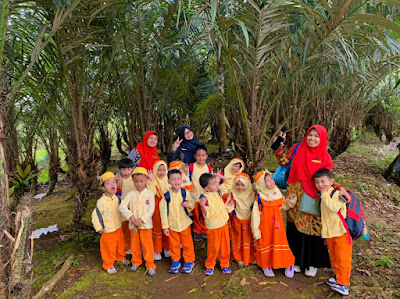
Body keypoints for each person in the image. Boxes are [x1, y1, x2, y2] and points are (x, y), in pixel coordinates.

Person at [273, 125, 350, 276]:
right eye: (310, 135)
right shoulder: (296, 148)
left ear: (322, 139)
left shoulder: (325, 157)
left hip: (313, 198)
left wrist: (339, 187)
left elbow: (327, 179)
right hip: (293, 197)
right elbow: (283, 161)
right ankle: (295, 261)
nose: (312, 139)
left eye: (316, 136)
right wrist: (277, 147)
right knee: (294, 228)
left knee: (313, 230)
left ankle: (312, 263)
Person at [313, 168, 352, 296]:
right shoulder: (324, 195)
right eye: (317, 182)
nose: (320, 185)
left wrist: (324, 195)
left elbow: (334, 208)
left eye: (323, 181)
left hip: (341, 232)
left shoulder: (337, 194)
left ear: (331, 181)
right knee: (334, 257)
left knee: (343, 258)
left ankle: (344, 283)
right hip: (330, 233)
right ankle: (337, 277)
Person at [251, 170, 295, 277]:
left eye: (271, 179)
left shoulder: (277, 192)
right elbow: (255, 215)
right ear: (261, 184)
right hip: (265, 227)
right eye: (267, 181)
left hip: (277, 226)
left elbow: (284, 206)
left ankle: (288, 264)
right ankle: (266, 264)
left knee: (280, 242)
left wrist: (290, 200)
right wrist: (255, 230)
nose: (271, 182)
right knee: (265, 243)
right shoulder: (260, 197)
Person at [119, 167, 157, 276]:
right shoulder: (131, 194)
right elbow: (122, 206)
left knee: (147, 244)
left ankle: (150, 264)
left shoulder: (149, 193)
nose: (139, 184)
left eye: (141, 181)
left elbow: (151, 209)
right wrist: (131, 217)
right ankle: (136, 261)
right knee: (134, 244)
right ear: (133, 181)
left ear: (146, 180)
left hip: (146, 225)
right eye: (136, 181)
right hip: (133, 225)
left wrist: (142, 219)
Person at [160, 169, 196, 274]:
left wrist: (188, 205)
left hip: (184, 223)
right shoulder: (166, 196)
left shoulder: (185, 193)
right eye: (173, 179)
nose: (176, 181)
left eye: (178, 179)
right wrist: (165, 227)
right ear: (168, 181)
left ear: (182, 180)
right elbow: (163, 212)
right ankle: (175, 260)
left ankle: (189, 260)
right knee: (174, 244)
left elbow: (192, 202)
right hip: (172, 225)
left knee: (187, 243)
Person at [91, 172, 128, 274]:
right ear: (103, 188)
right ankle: (108, 264)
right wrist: (98, 227)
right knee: (108, 248)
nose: (112, 185)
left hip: (118, 227)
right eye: (108, 183)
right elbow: (95, 214)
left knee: (120, 244)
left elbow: (121, 210)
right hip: (108, 230)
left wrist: (125, 219)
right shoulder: (101, 202)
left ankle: (120, 257)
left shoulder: (117, 198)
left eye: (114, 182)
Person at [199, 173, 232, 276]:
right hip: (213, 226)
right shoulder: (204, 197)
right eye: (213, 184)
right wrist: (202, 205)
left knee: (225, 245)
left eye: (216, 183)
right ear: (207, 188)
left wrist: (220, 177)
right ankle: (210, 265)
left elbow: (229, 183)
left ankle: (225, 264)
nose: (216, 185)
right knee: (213, 247)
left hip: (223, 223)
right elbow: (206, 213)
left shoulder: (218, 191)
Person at [225, 173, 256, 267]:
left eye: (243, 185)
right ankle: (238, 257)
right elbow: (227, 207)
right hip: (237, 219)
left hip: (250, 220)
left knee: (249, 238)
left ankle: (251, 257)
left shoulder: (252, 195)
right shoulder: (233, 194)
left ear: (247, 185)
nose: (240, 187)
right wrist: (230, 206)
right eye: (237, 185)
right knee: (238, 238)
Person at [147, 160, 171, 260]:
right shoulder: (152, 181)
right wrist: (152, 181)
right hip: (156, 207)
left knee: (167, 226)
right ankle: (157, 250)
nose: (161, 172)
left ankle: (167, 248)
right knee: (157, 226)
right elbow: (150, 193)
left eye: (164, 170)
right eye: (159, 170)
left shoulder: (169, 180)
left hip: (168, 207)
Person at [189, 145, 213, 242]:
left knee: (204, 214)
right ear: (195, 156)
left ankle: (204, 230)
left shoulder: (208, 167)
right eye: (198, 155)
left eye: (203, 155)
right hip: (194, 196)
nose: (201, 157)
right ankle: (196, 231)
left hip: (206, 196)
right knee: (196, 215)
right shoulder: (191, 167)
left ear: (206, 156)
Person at [116, 158, 135, 254]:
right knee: (125, 228)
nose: (126, 172)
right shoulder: (118, 181)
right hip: (123, 209)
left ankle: (134, 246)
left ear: (132, 169)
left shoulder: (135, 179)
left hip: (134, 207)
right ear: (120, 170)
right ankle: (127, 247)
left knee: (134, 228)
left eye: (128, 169)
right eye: (123, 170)